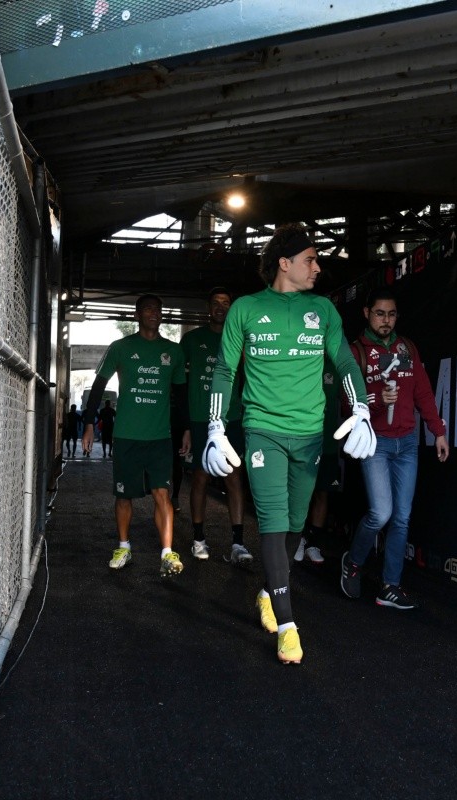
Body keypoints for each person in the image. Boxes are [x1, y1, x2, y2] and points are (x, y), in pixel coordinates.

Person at [203, 222, 376, 664]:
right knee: (275, 521)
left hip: (311, 434)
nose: (318, 267)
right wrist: (215, 427)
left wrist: (361, 409)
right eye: (310, 260)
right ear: (285, 263)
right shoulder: (245, 309)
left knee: (296, 523)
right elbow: (225, 371)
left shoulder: (323, 309)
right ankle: (287, 625)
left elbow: (343, 361)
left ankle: (267, 590)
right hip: (262, 429)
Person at [340, 286, 450, 609]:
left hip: (408, 444)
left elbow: (424, 395)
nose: (385, 320)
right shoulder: (356, 351)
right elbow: (345, 405)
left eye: (391, 314)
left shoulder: (407, 349)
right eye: (379, 313)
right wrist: (373, 400)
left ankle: (390, 584)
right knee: (381, 512)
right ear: (366, 313)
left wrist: (438, 432)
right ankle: (353, 561)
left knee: (401, 518)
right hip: (375, 442)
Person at [81, 294, 189, 578]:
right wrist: (89, 423)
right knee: (123, 495)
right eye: (148, 310)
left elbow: (181, 395)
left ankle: (167, 553)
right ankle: (123, 547)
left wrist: (187, 429)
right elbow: (98, 385)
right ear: (137, 315)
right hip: (127, 436)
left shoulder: (173, 352)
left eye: (158, 309)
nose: (154, 313)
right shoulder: (121, 347)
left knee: (162, 493)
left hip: (160, 438)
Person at [181, 287, 252, 564]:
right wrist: (185, 424)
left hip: (232, 418)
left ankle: (238, 544)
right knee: (200, 477)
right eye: (216, 303)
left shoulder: (240, 340)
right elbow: (180, 383)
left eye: (226, 302)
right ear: (208, 308)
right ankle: (198, 539)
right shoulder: (191, 340)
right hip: (201, 419)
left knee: (234, 477)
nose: (221, 307)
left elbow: (252, 378)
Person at [294, 356, 341, 564]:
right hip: (303, 443)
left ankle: (312, 543)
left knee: (323, 493)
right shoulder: (302, 361)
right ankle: (296, 540)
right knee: (301, 493)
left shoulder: (336, 367)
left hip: (329, 443)